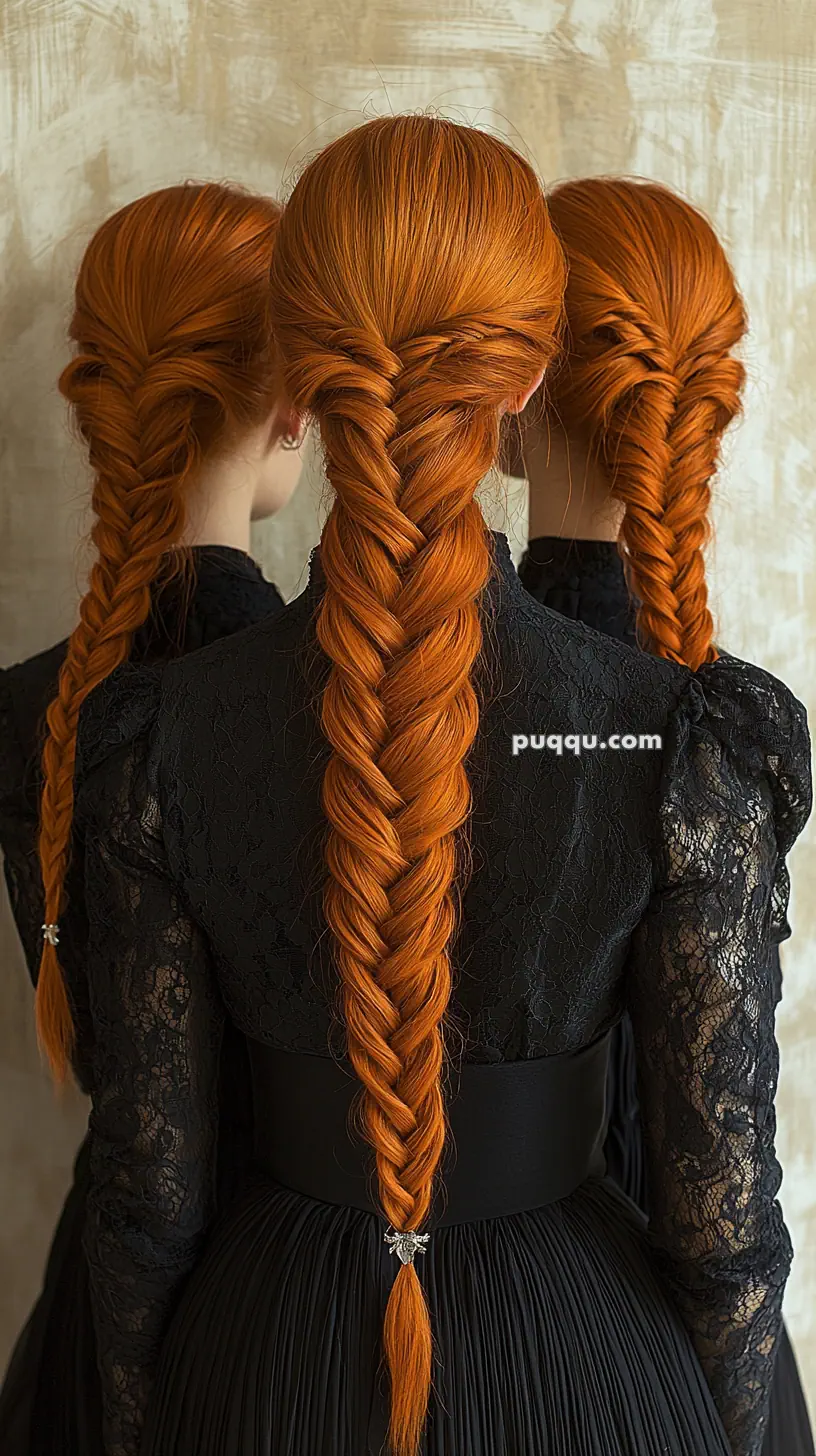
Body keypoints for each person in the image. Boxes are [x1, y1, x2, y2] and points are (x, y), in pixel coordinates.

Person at [65, 117, 810, 1456]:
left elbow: (148, 1198)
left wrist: (133, 1421)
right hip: (588, 1368)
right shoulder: (675, 741)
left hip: (268, 1359)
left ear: (297, 366)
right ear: (525, 378)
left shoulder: (154, 739)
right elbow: (722, 1225)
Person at [508, 175, 814, 1456]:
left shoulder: (429, 697)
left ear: (514, 393)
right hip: (695, 1353)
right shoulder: (714, 725)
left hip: (505, 1324)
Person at [0, 180, 306, 1456]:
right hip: (297, 1314)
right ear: (300, 403)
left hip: (93, 1310)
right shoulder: (331, 705)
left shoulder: (26, 711)